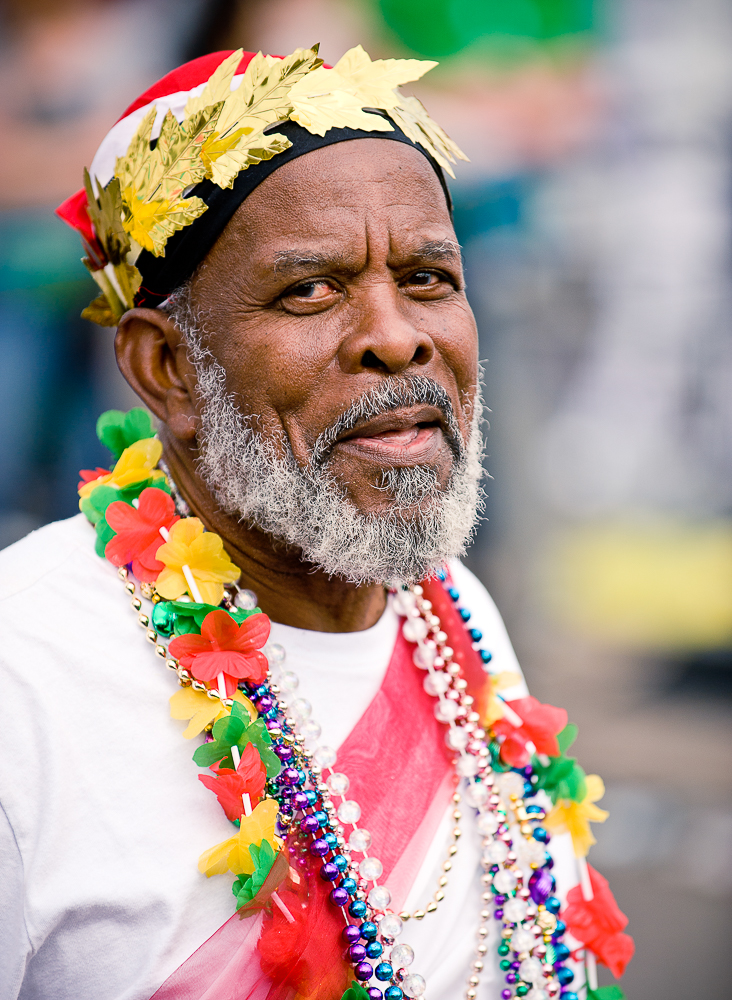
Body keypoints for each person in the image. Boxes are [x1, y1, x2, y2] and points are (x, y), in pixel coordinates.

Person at [0, 44, 632, 1000]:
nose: (398, 336)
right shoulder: (25, 674)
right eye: (310, 291)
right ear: (167, 368)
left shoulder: (454, 615)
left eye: (428, 278)